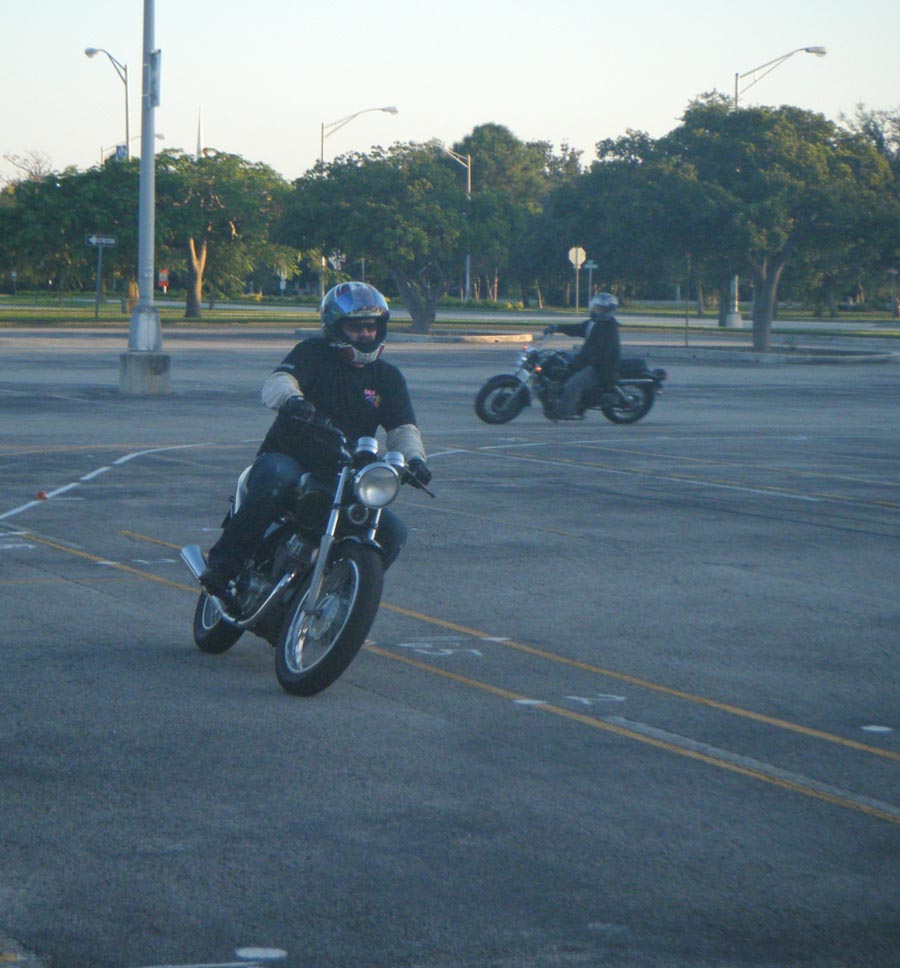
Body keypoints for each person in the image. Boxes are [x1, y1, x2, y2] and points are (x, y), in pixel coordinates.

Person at [200, 281, 432, 598]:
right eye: (355, 327)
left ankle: (338, 598)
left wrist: (415, 460)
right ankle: (223, 567)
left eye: (372, 326)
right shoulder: (312, 353)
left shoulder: (387, 377)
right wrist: (293, 400)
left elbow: (402, 428)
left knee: (392, 532)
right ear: (335, 327)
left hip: (345, 470)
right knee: (277, 480)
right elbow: (279, 381)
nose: (366, 334)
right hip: (290, 455)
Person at [544, 292, 621, 420]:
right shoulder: (594, 323)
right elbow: (577, 329)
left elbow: (600, 352)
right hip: (590, 361)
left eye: (599, 309)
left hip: (602, 367)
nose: (595, 311)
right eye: (595, 307)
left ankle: (563, 412)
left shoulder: (609, 329)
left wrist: (581, 359)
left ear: (608, 311)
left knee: (573, 384)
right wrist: (557, 328)